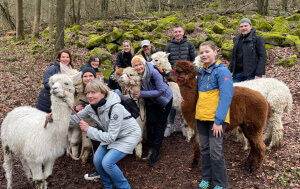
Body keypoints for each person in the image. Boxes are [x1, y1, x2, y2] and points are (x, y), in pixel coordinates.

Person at [70, 79, 141, 189]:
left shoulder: (115, 107)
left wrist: (88, 129)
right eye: (87, 93)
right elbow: (74, 119)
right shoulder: (90, 108)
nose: (89, 96)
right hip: (112, 135)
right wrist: (55, 117)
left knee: (107, 163)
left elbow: (111, 137)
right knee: (97, 161)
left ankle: (124, 187)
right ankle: (109, 186)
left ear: (103, 93)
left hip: (128, 135)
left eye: (93, 92)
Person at [195, 41, 233, 189]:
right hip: (202, 117)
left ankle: (220, 184)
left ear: (215, 52)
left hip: (215, 119)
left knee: (215, 151)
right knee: (204, 149)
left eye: (207, 51)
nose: (204, 54)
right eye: (201, 52)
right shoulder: (202, 72)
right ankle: (207, 179)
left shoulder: (222, 71)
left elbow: (226, 96)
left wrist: (218, 121)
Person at [131, 55, 173, 166]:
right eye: (136, 65)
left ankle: (156, 150)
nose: (139, 67)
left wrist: (142, 94)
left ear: (144, 64)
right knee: (150, 122)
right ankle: (150, 146)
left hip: (164, 100)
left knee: (160, 124)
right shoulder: (136, 75)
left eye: (140, 64)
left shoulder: (153, 72)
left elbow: (161, 90)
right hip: (151, 101)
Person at [164, 25, 197, 137]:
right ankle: (170, 125)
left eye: (179, 32)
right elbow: (166, 61)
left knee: (185, 100)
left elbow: (194, 59)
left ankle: (184, 124)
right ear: (173, 33)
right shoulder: (169, 46)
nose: (177, 34)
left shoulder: (189, 45)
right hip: (173, 78)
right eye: (175, 32)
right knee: (173, 100)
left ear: (183, 33)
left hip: (186, 78)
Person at [229, 18, 266, 83]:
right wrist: (229, 71)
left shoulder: (257, 39)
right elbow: (233, 57)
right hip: (237, 74)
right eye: (241, 26)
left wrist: (259, 73)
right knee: (234, 92)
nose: (243, 28)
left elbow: (262, 57)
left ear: (250, 27)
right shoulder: (236, 40)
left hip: (252, 74)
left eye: (246, 26)